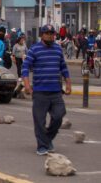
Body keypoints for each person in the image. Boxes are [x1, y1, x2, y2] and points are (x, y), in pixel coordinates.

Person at [22, 25, 71, 156]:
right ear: (42, 35)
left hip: (56, 92)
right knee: (39, 121)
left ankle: (47, 138)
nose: (50, 35)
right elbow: (25, 68)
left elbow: (63, 67)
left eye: (52, 33)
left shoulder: (58, 49)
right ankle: (42, 146)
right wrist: (27, 85)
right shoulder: (34, 49)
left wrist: (68, 84)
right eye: (47, 33)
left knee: (59, 116)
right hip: (40, 92)